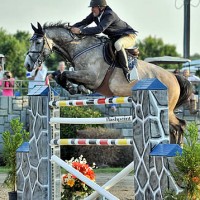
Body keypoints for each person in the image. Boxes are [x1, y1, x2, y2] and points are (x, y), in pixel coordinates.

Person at [71, 0, 137, 82]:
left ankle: (127, 72)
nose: (91, 10)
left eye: (93, 7)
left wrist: (81, 31)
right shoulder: (95, 14)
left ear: (100, 7)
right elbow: (84, 22)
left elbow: (99, 29)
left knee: (118, 45)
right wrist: (70, 28)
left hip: (128, 36)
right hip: (114, 37)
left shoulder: (109, 15)